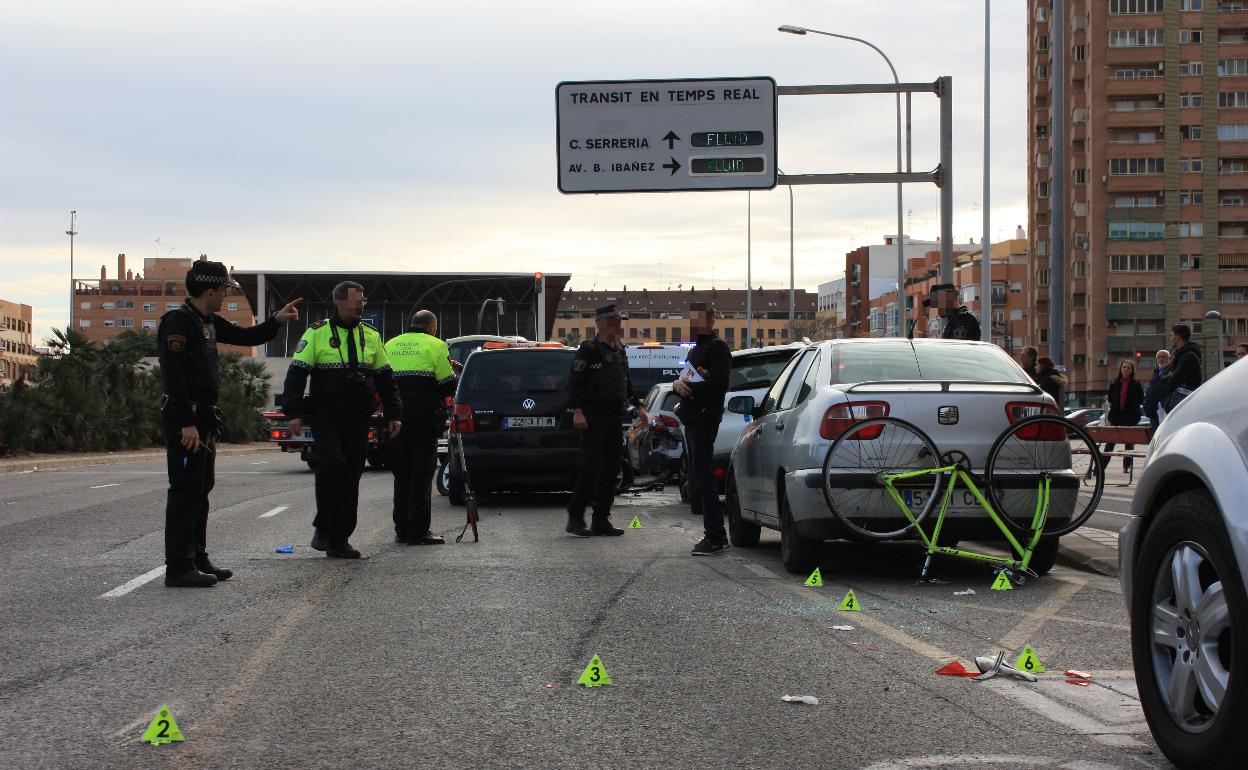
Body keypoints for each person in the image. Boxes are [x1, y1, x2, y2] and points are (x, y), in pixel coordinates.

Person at [159, 260, 302, 587]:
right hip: (188, 420)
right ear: (210, 290)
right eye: (223, 290)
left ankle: (197, 557)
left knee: (201, 489)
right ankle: (178, 568)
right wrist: (185, 423)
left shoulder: (206, 321)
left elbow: (245, 334)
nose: (225, 296)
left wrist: (276, 321)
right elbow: (174, 376)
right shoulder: (179, 323)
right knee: (185, 491)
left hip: (204, 416)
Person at [281, 282, 402, 559]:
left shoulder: (371, 336)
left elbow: (386, 379)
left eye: (363, 300)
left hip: (358, 417)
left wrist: (395, 414)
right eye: (356, 301)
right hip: (326, 416)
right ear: (338, 302)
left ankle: (340, 540)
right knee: (332, 464)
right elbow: (296, 376)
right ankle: (324, 526)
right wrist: (293, 413)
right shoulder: (317, 333)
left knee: (351, 475)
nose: (361, 306)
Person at [565, 304, 645, 537]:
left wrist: (640, 408)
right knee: (590, 468)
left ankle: (601, 518)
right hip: (592, 416)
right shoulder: (588, 349)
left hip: (614, 416)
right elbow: (575, 383)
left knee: (611, 469)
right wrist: (577, 411)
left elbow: (626, 383)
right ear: (600, 323)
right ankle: (576, 517)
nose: (617, 325)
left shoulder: (620, 350)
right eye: (612, 321)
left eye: (618, 321)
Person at [385, 310, 456, 546]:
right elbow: (447, 385)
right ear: (432, 326)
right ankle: (418, 531)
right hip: (423, 420)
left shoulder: (391, 344)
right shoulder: (436, 345)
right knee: (422, 474)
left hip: (395, 420)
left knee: (401, 475)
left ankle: (401, 530)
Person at [673, 302, 732, 556]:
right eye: (691, 320)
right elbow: (685, 379)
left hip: (706, 418)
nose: (695, 325)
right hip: (692, 418)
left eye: (700, 320)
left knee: (703, 478)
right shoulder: (695, 350)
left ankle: (714, 536)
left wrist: (691, 388)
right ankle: (717, 533)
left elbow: (719, 385)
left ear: (711, 321)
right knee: (699, 476)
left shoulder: (718, 348)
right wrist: (677, 385)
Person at [1103, 359, 1144, 473]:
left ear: (1132, 371)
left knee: (1129, 444)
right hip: (1116, 416)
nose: (1126, 369)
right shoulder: (1114, 383)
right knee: (1110, 444)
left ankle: (1127, 466)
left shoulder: (1136, 384)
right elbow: (1111, 398)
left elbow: (1141, 399)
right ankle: (1100, 468)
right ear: (1121, 369)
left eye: (1128, 368)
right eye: (1124, 367)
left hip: (1130, 417)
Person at [1159, 322, 1203, 414]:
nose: (1171, 339)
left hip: (1183, 405)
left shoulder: (1188, 357)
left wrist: (1167, 380)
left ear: (1178, 336)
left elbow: (1174, 380)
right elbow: (1166, 377)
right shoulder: (1180, 356)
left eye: (1172, 335)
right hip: (1179, 403)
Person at [1141, 349, 1171, 429]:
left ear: (1169, 358)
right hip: (1154, 409)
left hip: (1165, 407)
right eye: (1159, 357)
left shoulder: (1172, 370)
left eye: (1164, 357)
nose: (1161, 359)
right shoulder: (1156, 372)